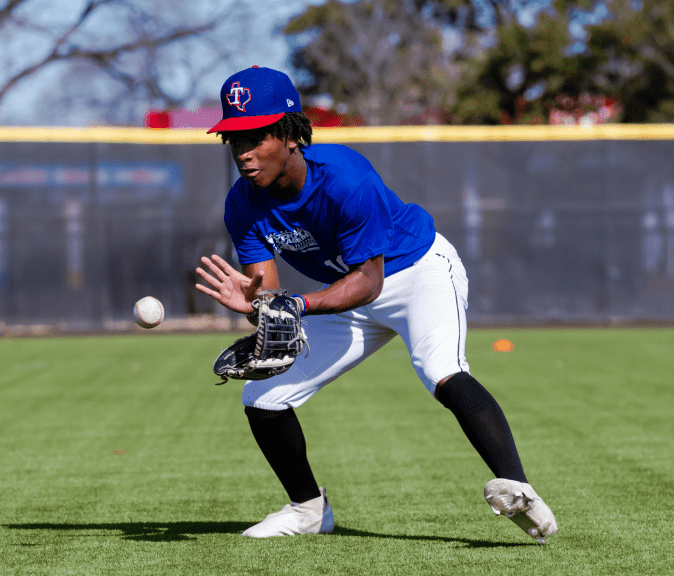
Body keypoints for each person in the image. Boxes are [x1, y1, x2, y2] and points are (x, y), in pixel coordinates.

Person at [194, 66, 558, 543]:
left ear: (288, 135)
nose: (242, 151)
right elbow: (270, 292)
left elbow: (370, 281)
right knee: (263, 397)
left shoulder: (345, 178)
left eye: (255, 135)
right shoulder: (242, 203)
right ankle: (308, 510)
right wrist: (255, 304)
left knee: (441, 370)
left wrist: (297, 305)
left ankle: (519, 488)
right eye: (233, 138)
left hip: (416, 272)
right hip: (344, 292)